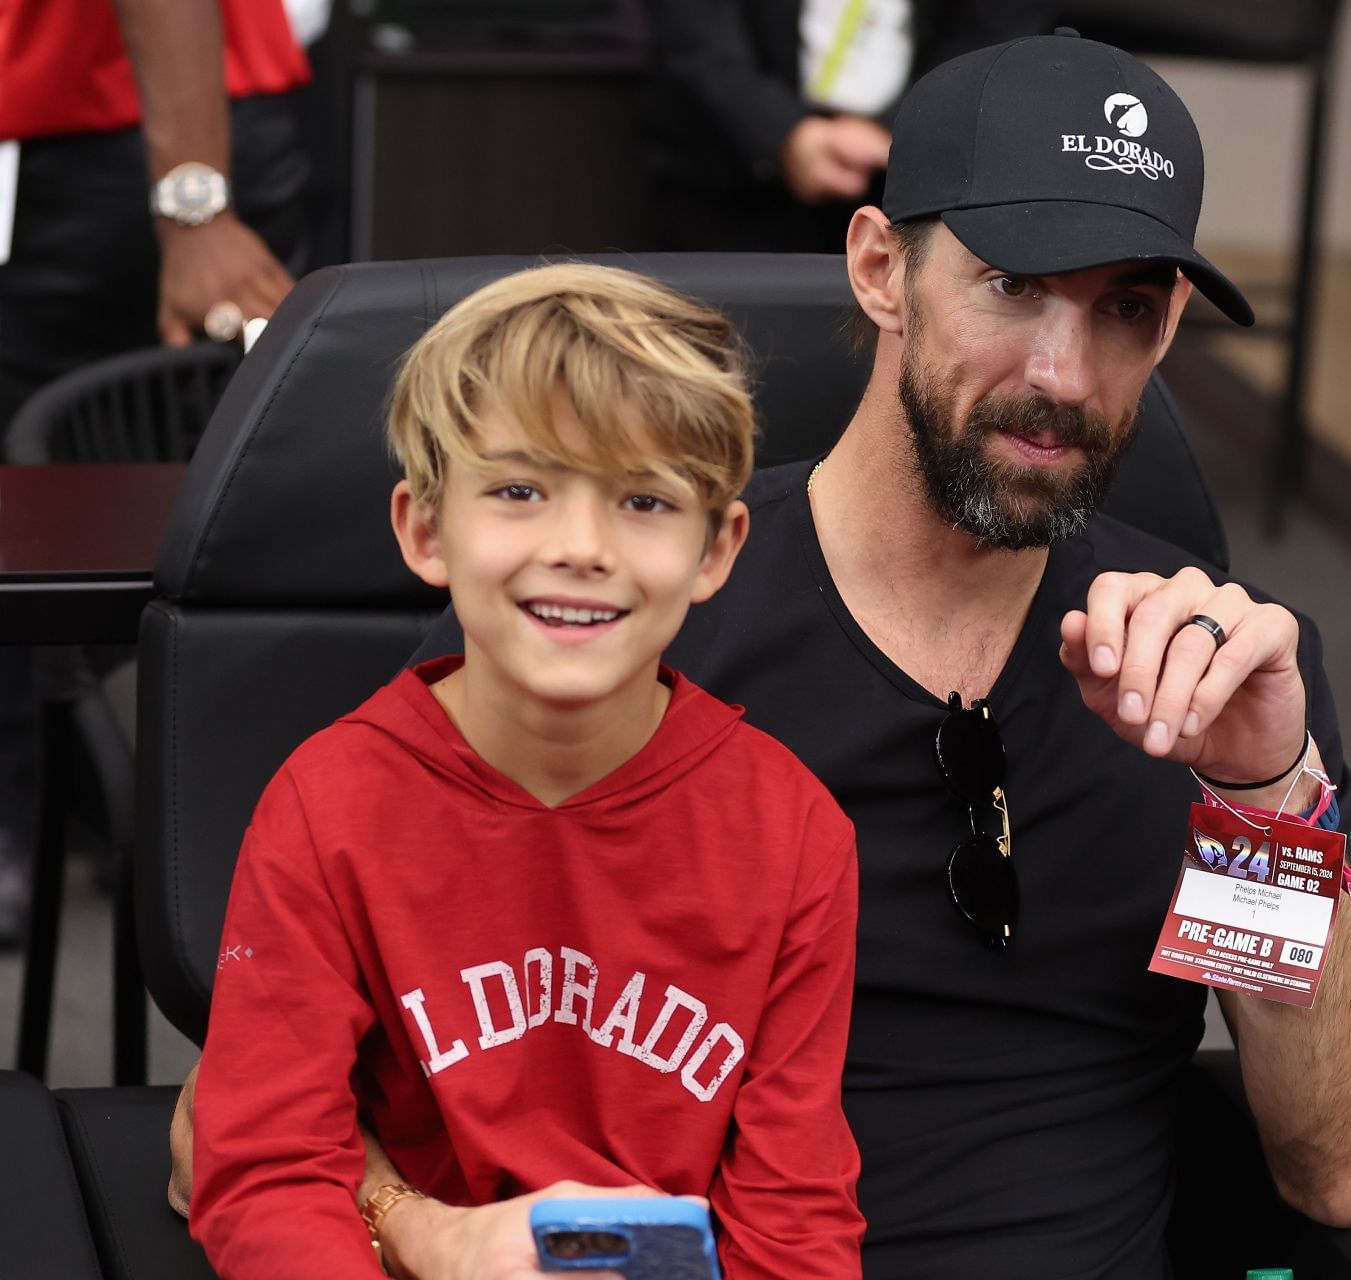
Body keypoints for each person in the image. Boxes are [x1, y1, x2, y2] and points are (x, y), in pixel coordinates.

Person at [173, 32, 1351, 1278]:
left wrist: (1263, 800)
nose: (1063, 370)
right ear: (881, 266)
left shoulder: (1217, 670)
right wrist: (424, 1226)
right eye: (1012, 286)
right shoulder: (624, 602)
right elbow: (232, 1130)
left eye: (1125, 309)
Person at [187, 264, 865, 1278]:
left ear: (717, 549)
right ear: (425, 528)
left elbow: (795, 1221)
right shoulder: (326, 806)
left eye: (644, 498)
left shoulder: (795, 833)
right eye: (518, 490)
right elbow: (269, 1169)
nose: (580, 546)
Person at [0, 0, 311, 943]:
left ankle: (192, 835)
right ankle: (134, 818)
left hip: (126, 141)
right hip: (170, 130)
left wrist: (194, 201)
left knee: (81, 506)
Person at [644, 0, 1046, 252]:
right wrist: (783, 134)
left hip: (920, 183)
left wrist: (900, 127)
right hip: (731, 175)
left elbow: (999, 29)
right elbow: (694, 29)